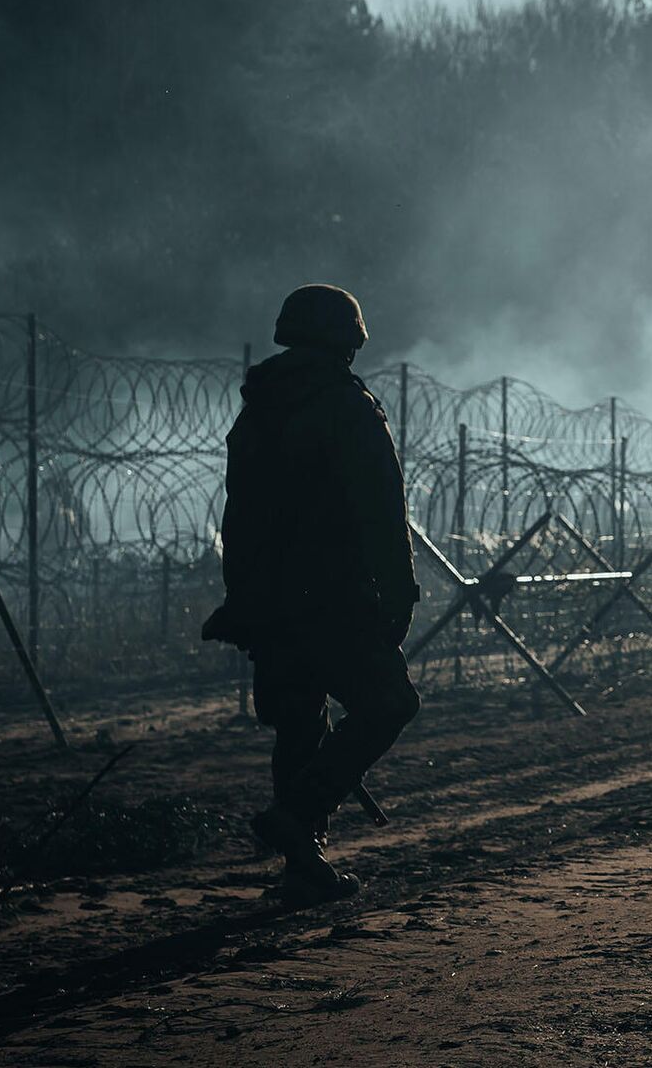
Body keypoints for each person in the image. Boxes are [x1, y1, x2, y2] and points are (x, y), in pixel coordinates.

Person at [203, 284, 421, 906]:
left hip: (269, 599)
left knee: (299, 722)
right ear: (348, 339)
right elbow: (382, 509)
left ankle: (303, 864)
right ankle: (299, 816)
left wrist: (242, 599)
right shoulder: (347, 406)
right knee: (389, 704)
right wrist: (400, 592)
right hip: (331, 594)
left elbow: (238, 515)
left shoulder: (259, 407)